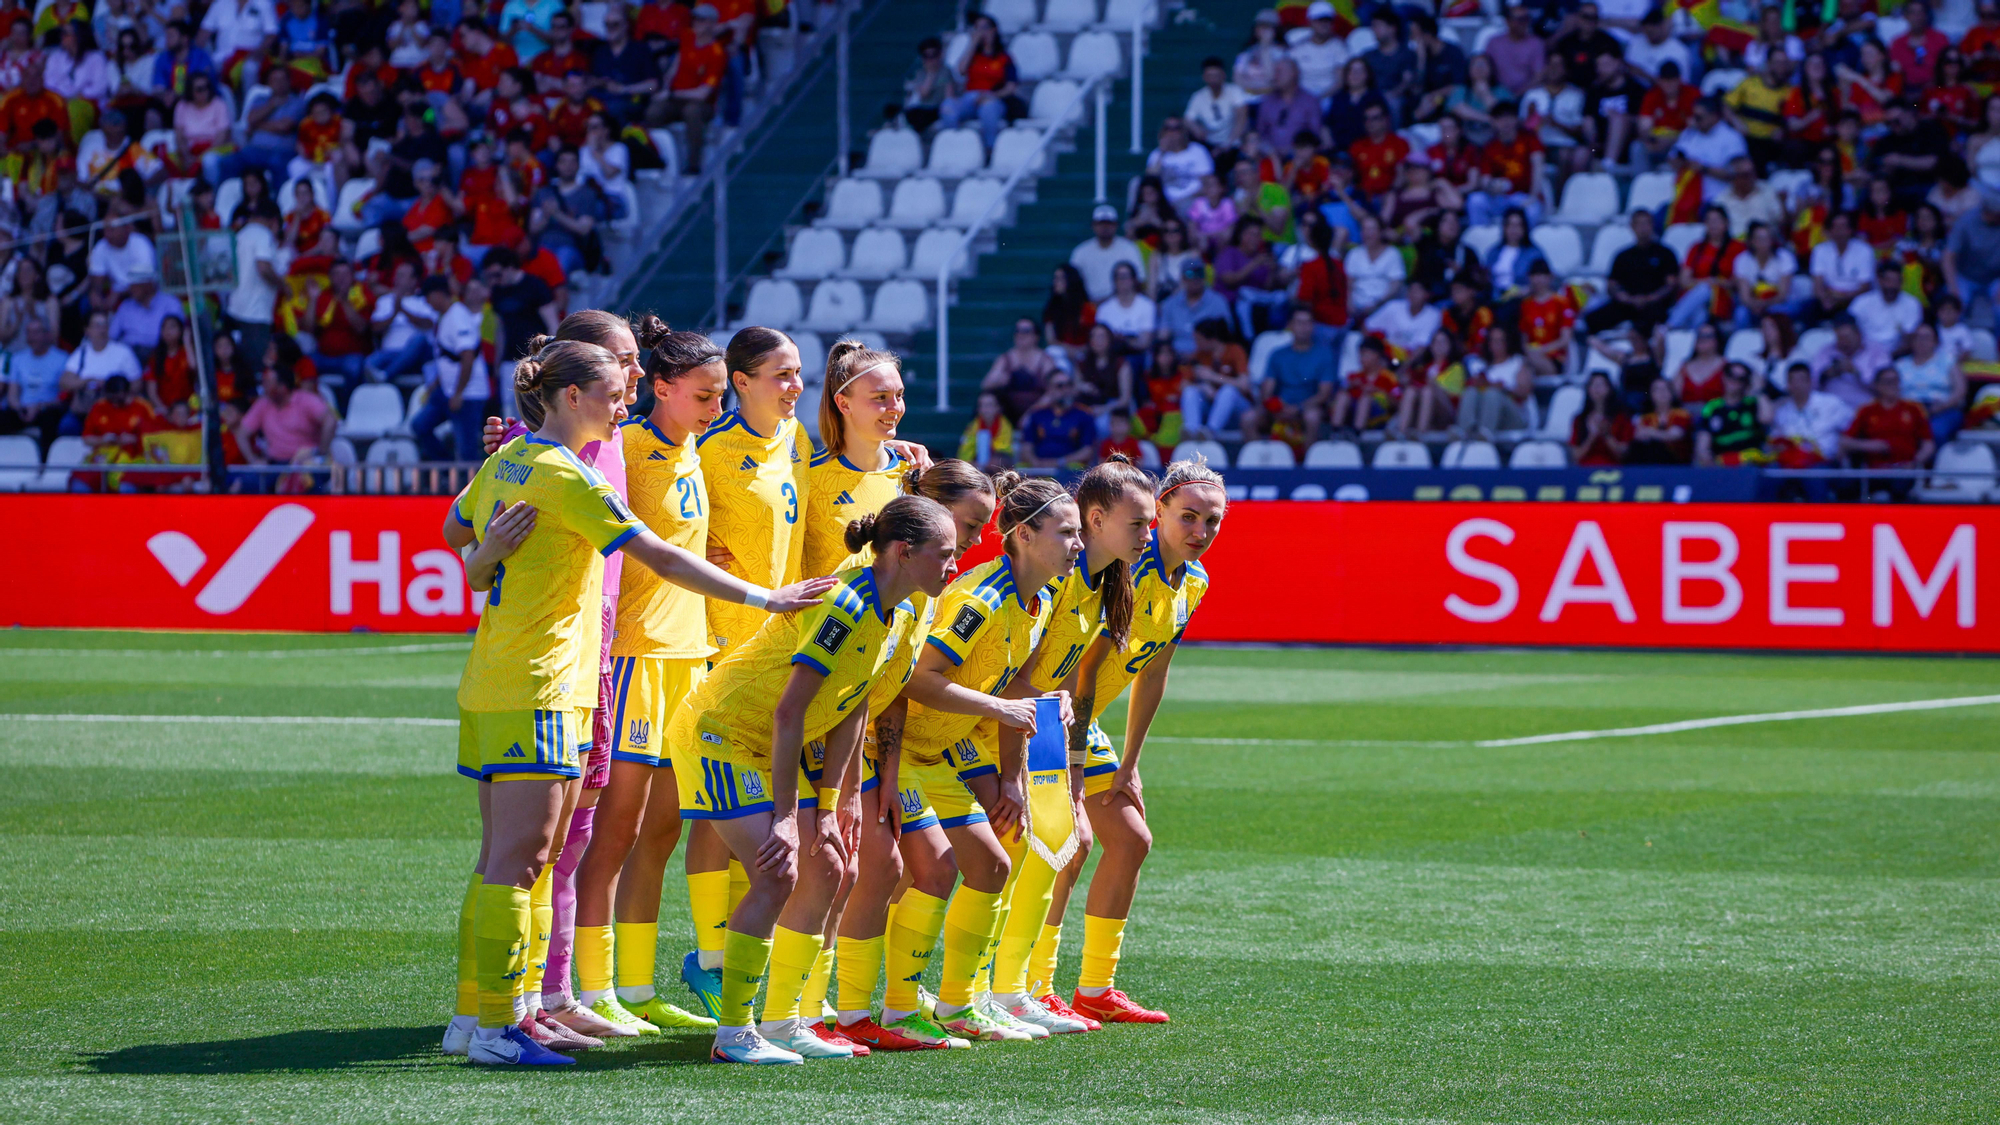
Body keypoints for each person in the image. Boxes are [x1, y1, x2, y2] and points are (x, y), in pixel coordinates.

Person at [440, 338, 833, 1068]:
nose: (623, 406)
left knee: (501, 858)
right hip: (546, 682)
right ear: (568, 398)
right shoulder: (568, 476)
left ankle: (476, 1015)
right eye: (611, 394)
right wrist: (764, 596)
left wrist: (482, 555)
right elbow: (657, 553)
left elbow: (452, 531)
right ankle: (500, 1025)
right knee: (525, 859)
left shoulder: (509, 461)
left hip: (491, 679)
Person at [876, 473, 1079, 1044]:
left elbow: (1014, 692)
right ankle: (890, 1008)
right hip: (899, 748)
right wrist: (1007, 707)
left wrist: (1014, 770)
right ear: (1023, 535)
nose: (1078, 544)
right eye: (1066, 532)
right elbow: (916, 678)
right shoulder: (979, 598)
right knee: (926, 871)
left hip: (941, 751)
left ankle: (959, 1004)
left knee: (992, 864)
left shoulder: (1036, 601)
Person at [1035, 458, 1225, 1025]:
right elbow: (1083, 671)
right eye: (1187, 517)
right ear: (1158, 509)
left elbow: (1155, 668)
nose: (1199, 532)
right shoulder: (1126, 569)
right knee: (1068, 845)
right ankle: (1033, 986)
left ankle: (1095, 989)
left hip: (1082, 719)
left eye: (1212, 522)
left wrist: (1131, 762)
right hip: (1049, 710)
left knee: (1132, 838)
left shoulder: (1194, 582)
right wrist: (1072, 762)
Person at [825, 460, 1003, 1052]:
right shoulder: (877, 576)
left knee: (933, 866)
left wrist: (890, 772)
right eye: (968, 526)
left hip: (885, 748)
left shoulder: (927, 585)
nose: (973, 543)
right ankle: (836, 1012)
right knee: (869, 868)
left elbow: (893, 682)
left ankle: (892, 1008)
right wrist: (854, 784)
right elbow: (852, 689)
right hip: (842, 742)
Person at [410, 277, 492, 462]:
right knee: (420, 426)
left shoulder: (457, 316)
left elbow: (468, 356)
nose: (426, 302)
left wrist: (458, 393)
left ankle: (468, 488)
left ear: (439, 294)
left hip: (467, 394)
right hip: (447, 391)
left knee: (466, 450)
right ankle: (446, 470)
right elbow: (449, 357)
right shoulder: (447, 316)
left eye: (428, 296)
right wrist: (435, 385)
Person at [1842, 367, 1937, 496]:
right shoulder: (1866, 410)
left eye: (1895, 381)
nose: (1892, 385)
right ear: (1877, 385)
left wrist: (1915, 462)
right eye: (1887, 381)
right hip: (1875, 471)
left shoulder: (1914, 408)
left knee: (1899, 487)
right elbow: (1845, 442)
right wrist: (1869, 446)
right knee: (1846, 488)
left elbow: (1928, 444)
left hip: (1904, 469)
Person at [654, 3, 725, 174]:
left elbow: (703, 93)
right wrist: (666, 86)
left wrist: (672, 94)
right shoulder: (687, 36)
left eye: (701, 20)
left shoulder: (717, 53)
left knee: (692, 111)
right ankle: (659, 160)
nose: (696, 23)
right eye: (695, 19)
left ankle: (693, 165)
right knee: (654, 112)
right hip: (675, 98)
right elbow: (676, 64)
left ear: (711, 24)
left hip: (702, 105)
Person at [1583, 210, 1680, 335]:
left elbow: (1671, 285)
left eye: (1646, 224)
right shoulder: (1623, 256)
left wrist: (1649, 298)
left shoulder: (1665, 253)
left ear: (1652, 225)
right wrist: (1625, 298)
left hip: (1654, 304)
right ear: (1632, 227)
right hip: (1627, 303)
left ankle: (1643, 353)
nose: (1643, 228)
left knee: (1650, 321)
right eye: (1639, 224)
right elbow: (1612, 284)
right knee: (1592, 320)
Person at [237, 364, 334, 485]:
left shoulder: (306, 400)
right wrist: (253, 460)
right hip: (274, 465)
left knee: (303, 483)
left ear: (282, 387)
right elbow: (242, 433)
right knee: (243, 483)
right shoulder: (263, 404)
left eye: (268, 383)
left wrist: (321, 452)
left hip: (305, 464)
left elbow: (330, 421)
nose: (263, 387)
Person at [1258, 305, 1338, 443]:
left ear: (1313, 326)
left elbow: (1324, 394)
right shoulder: (1278, 355)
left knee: (1312, 417)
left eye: (1308, 323)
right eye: (1299, 322)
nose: (1303, 327)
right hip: (1279, 408)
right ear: (1290, 325)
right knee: (1248, 418)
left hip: (1308, 408)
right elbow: (1267, 390)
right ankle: (1259, 461)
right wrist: (1276, 407)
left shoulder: (1325, 354)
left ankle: (1307, 463)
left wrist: (1298, 408)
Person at [940, 13, 1018, 150]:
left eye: (985, 27)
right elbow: (961, 70)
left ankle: (989, 148)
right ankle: (952, 145)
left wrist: (990, 96)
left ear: (994, 30)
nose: (981, 32)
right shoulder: (974, 56)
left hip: (993, 97)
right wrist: (973, 43)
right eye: (977, 28)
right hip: (970, 98)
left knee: (988, 108)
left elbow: (1011, 87)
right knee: (948, 106)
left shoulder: (1004, 58)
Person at [1768, 361, 1854, 476]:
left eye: (1802, 379)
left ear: (1810, 382)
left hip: (1823, 460)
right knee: (1771, 471)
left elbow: (1853, 426)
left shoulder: (1831, 403)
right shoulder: (1782, 410)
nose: (1797, 384)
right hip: (1790, 460)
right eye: (1792, 380)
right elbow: (1775, 440)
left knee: (1815, 473)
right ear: (1787, 384)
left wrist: (1843, 447)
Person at [1466, 102, 1545, 227]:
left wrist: (1533, 196)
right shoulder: (1489, 147)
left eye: (1509, 117)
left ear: (1516, 119)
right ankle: (1479, 240)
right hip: (1500, 198)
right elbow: (1485, 180)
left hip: (1523, 197)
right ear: (1493, 122)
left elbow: (1538, 167)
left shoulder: (1530, 139)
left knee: (1532, 209)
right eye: (1500, 118)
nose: (1505, 122)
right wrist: (1492, 187)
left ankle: (1524, 245)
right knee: (1475, 201)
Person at [1894, 322, 1967, 443]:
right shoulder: (1900, 365)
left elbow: (1960, 389)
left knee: (1934, 431)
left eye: (1926, 337)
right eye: (1917, 337)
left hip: (1942, 409)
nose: (1921, 341)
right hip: (1908, 410)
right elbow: (1891, 391)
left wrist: (1942, 406)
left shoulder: (1947, 360)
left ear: (1936, 342)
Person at [1458, 325, 1531, 438]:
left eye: (1500, 340)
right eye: (1492, 341)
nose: (1496, 345)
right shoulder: (1483, 366)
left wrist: (1503, 388)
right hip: (1484, 413)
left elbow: (1525, 391)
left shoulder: (1517, 362)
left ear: (1507, 342)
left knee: (1492, 394)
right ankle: (1465, 432)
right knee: (1471, 391)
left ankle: (1484, 435)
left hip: (1513, 418)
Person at [982, 319, 1059, 423]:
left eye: (1025, 331)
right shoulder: (1005, 359)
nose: (1020, 334)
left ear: (1036, 336)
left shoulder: (1045, 360)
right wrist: (998, 380)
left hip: (1038, 411)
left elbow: (1055, 390)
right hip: (1009, 412)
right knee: (987, 398)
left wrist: (1031, 413)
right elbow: (985, 385)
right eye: (1017, 331)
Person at [1694, 365, 1769, 466]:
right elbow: (1702, 445)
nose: (1734, 380)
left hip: (1751, 464)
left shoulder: (1752, 403)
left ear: (1746, 382)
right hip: (1721, 465)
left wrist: (1758, 390)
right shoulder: (1712, 407)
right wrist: (1706, 457)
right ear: (1723, 377)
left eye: (1740, 378)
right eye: (1731, 375)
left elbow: (1767, 418)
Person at [1069, 204, 1145, 304]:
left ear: (1116, 225)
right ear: (1093, 225)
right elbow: (1072, 283)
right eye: (1100, 223)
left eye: (1109, 224)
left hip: (1121, 303)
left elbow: (1139, 280)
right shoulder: (1081, 251)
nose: (1105, 227)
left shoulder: (1129, 248)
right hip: (1089, 305)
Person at [1019, 373, 1096, 469]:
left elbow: (1087, 451)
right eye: (1060, 386)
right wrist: (1035, 462)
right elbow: (1026, 446)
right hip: (1039, 468)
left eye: (1069, 385)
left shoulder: (1084, 414)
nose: (1065, 389)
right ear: (1049, 389)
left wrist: (1059, 462)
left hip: (1069, 470)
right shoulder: (1037, 414)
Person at [1156, 260, 1232, 356]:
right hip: (1177, 358)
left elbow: (1224, 337)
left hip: (1208, 357)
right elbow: (1163, 335)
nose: (1196, 278)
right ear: (1183, 278)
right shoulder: (1170, 304)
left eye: (1199, 273)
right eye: (1190, 274)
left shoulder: (1218, 302)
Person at [1848, 260, 1924, 353]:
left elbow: (1909, 339)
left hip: (1897, 355)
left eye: (1896, 281)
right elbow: (1849, 330)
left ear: (1902, 282)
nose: (1892, 285)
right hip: (1863, 353)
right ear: (1880, 281)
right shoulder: (1861, 303)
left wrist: (1887, 358)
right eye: (1888, 281)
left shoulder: (1912, 304)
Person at [1184, 55, 1248, 151]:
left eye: (1216, 76)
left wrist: (1229, 143)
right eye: (1209, 76)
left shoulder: (1234, 91)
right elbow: (1188, 119)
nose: (1213, 80)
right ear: (1204, 77)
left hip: (1233, 144)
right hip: (1208, 143)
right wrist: (1197, 129)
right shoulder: (1198, 96)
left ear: (1223, 75)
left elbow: (1242, 116)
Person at [1569, 371, 1630, 466]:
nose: (1597, 388)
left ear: (1609, 388)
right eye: (1593, 384)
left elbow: (1623, 455)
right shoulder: (1579, 419)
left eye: (1601, 384)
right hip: (1584, 472)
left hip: (1614, 471)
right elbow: (1576, 456)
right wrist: (1592, 436)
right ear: (1588, 389)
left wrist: (1606, 434)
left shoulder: (1621, 418)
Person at [1289, 1, 1349, 98]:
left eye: (1327, 20)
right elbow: (1290, 77)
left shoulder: (1339, 47)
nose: (1324, 24)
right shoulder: (1298, 48)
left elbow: (1340, 82)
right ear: (1310, 22)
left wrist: (1320, 98)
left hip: (1330, 96)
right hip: (1300, 97)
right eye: (1319, 20)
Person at [1627, 377, 1693, 464]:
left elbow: (1675, 435)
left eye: (1665, 389)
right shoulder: (1645, 418)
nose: (1662, 393)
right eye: (1657, 390)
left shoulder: (1681, 414)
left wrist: (1650, 432)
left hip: (1677, 461)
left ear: (1672, 393)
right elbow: (1638, 436)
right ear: (1650, 394)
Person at [958, 392, 1015, 468]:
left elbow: (1004, 449)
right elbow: (966, 448)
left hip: (998, 460)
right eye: (982, 405)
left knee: (997, 462)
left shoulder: (1005, 425)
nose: (985, 409)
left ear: (998, 407)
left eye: (989, 405)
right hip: (976, 460)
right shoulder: (973, 426)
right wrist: (971, 461)